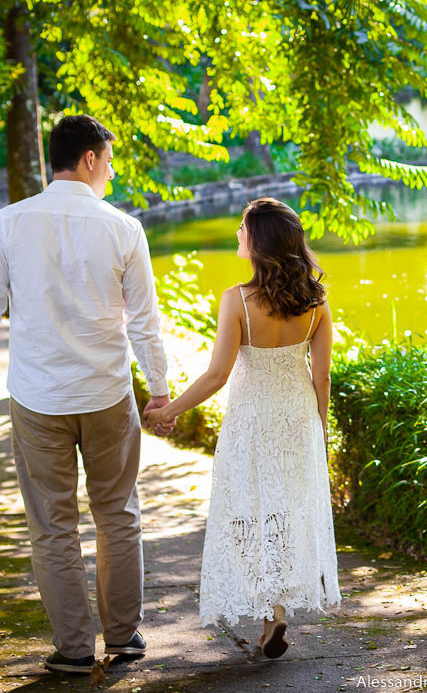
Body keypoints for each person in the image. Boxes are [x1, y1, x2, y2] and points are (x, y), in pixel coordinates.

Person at [0, 114, 174, 675]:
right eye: (109, 161)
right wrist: (158, 391)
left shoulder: (10, 222)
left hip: (38, 398)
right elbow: (145, 323)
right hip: (107, 395)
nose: (111, 172)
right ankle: (123, 637)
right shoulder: (123, 229)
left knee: (52, 526)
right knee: (117, 514)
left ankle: (75, 650)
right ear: (88, 159)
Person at [143, 197, 340, 658]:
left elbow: (217, 375)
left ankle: (271, 607)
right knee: (286, 512)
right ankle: (276, 611)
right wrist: (320, 429)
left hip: (252, 420)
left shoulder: (237, 300)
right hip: (298, 418)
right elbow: (322, 376)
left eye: (243, 227)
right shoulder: (316, 300)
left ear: (259, 242)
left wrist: (169, 411)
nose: (237, 233)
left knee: (248, 512)